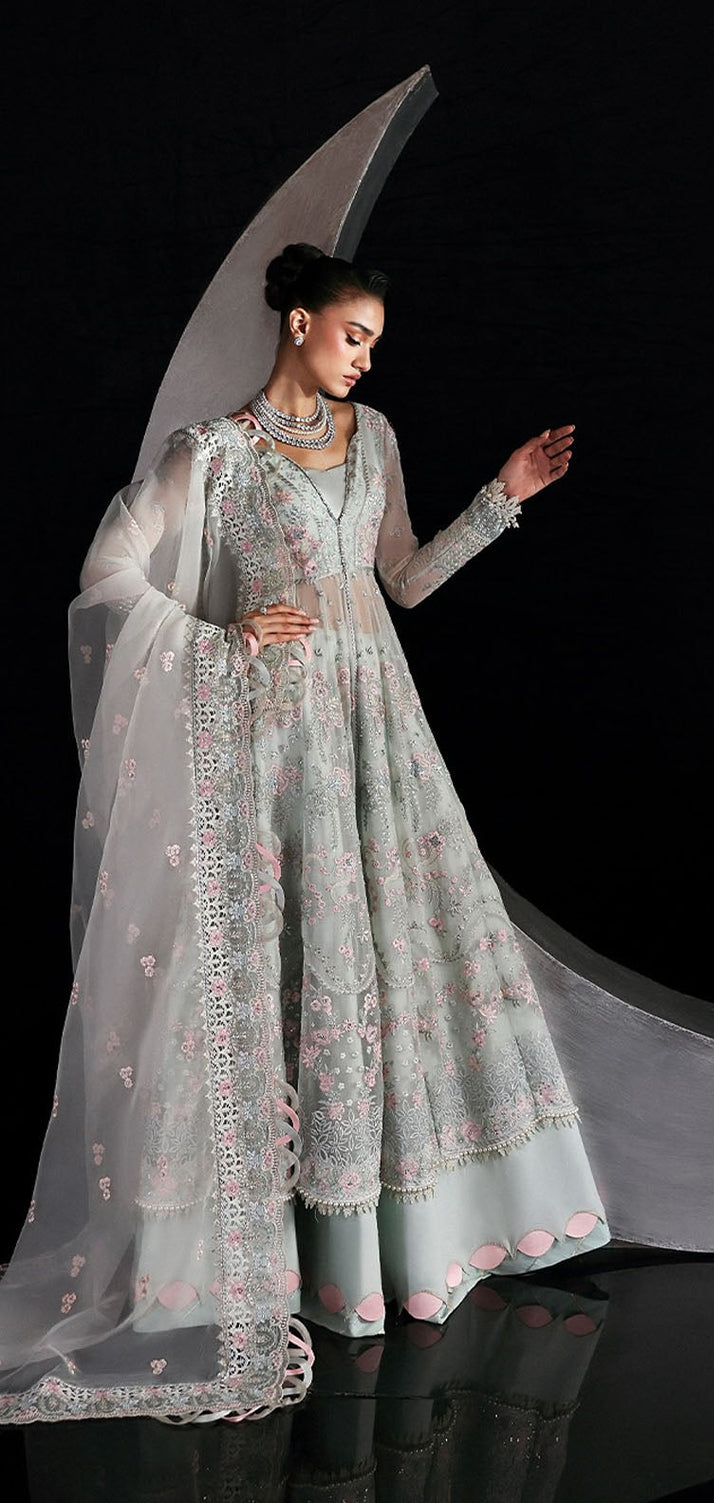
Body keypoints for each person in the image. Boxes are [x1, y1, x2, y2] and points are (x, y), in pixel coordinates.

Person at [0, 243, 609, 1424]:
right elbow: (108, 573)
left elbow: (405, 581)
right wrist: (218, 639)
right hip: (272, 740)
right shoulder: (216, 453)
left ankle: (397, 1247)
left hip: (377, 730)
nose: (366, 357)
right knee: (289, 968)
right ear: (296, 323)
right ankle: (262, 1256)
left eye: (375, 342)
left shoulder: (374, 438)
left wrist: (502, 501)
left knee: (391, 962)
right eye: (353, 334)